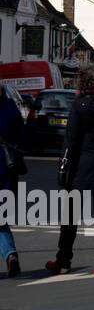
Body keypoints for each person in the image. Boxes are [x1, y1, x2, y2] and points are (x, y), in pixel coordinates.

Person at [47, 65, 94, 277]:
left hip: (83, 167)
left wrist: (63, 167)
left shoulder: (80, 106)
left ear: (85, 83)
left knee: (71, 215)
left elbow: (71, 141)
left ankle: (63, 261)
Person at [0, 90, 26, 277]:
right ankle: (10, 255)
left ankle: (10, 255)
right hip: (7, 170)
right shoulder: (10, 106)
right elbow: (23, 137)